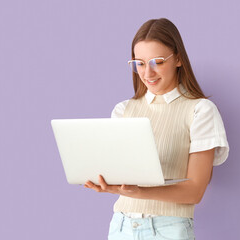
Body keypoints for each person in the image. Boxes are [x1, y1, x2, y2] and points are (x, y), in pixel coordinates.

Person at [84, 18, 229, 240]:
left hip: (168, 229)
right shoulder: (123, 110)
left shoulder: (200, 111)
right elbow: (120, 176)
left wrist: (139, 192)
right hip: (121, 226)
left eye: (157, 62)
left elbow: (195, 192)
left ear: (178, 58)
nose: (147, 74)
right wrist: (107, 184)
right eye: (139, 63)